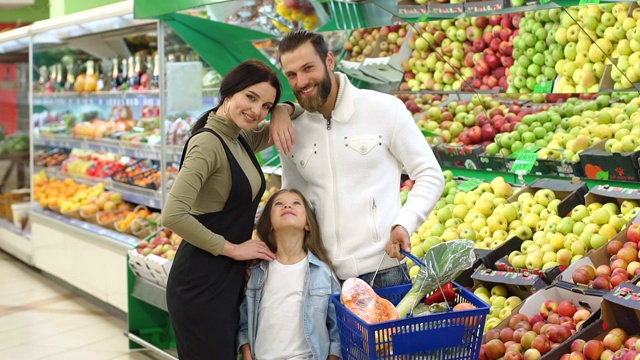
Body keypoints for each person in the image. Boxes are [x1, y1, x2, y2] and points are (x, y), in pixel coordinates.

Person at [275, 30, 445, 288]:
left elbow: (430, 174)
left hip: (384, 273)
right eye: (292, 75)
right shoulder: (294, 129)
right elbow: (294, 197)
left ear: (329, 61)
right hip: (323, 278)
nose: (301, 81)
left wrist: (405, 223)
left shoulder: (385, 109)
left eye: (308, 68)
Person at [163, 59, 294, 359]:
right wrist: (234, 249)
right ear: (229, 92)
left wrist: (282, 110)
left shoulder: (238, 137)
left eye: (265, 106)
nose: (256, 111)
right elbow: (173, 214)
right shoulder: (209, 143)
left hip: (225, 279)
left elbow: (293, 111)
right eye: (250, 97)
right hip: (200, 282)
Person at [237, 189, 341, 360]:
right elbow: (244, 324)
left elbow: (336, 332)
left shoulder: (323, 273)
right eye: (278, 203)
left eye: (296, 203)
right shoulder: (256, 272)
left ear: (307, 224)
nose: (287, 205)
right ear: (270, 223)